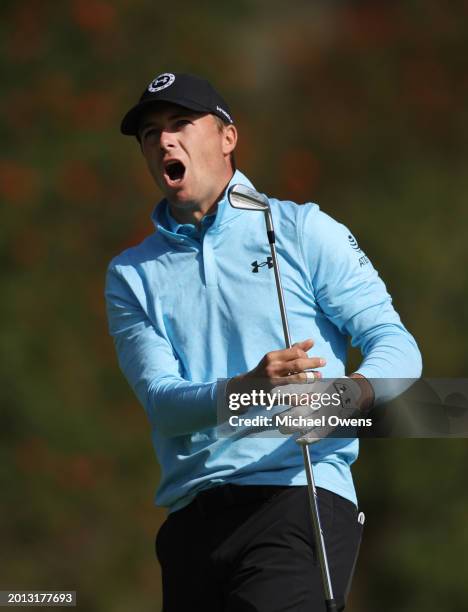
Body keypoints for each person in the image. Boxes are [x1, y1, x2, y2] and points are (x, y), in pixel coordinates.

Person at [105, 71, 422, 612]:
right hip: (190, 523)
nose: (164, 140)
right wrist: (247, 387)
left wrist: (342, 399)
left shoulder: (304, 230)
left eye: (181, 123)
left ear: (228, 137)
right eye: (150, 133)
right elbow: (162, 402)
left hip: (297, 500)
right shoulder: (130, 274)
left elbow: (397, 346)